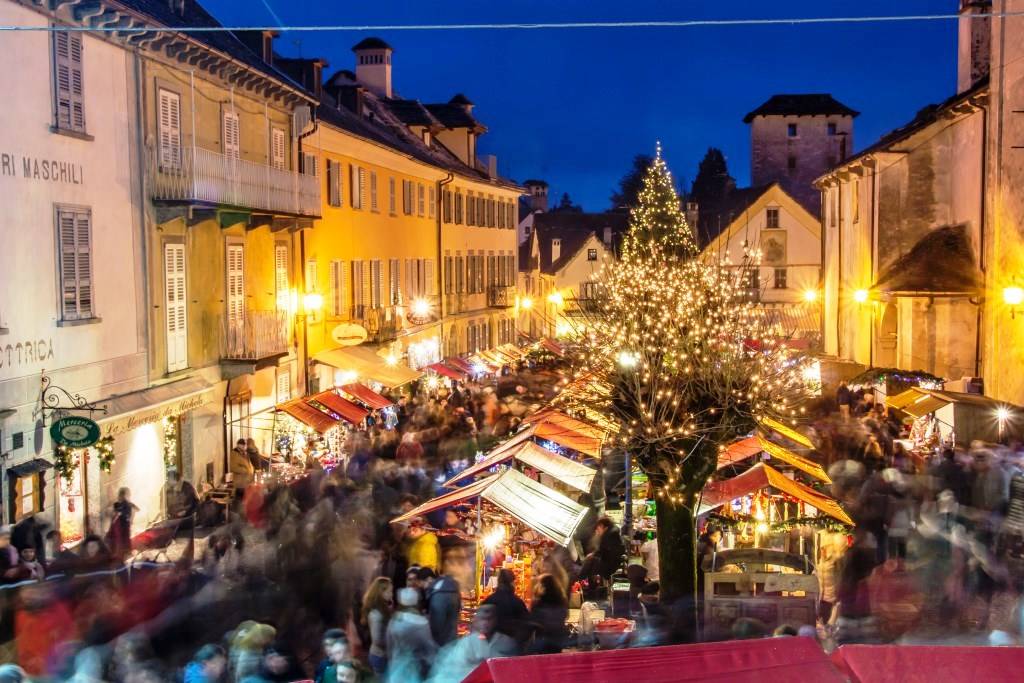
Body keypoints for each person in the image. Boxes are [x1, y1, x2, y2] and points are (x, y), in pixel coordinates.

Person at [433, 605, 517, 682]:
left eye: (489, 619)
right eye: (482, 619)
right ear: (476, 621)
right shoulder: (467, 643)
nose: (485, 623)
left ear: (495, 620)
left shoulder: (506, 642)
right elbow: (455, 669)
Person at [386, 587, 437, 681]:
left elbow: (389, 646)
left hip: (395, 667)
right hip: (414, 669)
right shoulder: (422, 623)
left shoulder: (394, 620)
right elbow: (429, 649)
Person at [481, 568, 529, 645]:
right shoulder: (517, 602)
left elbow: (481, 623)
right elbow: (526, 624)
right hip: (512, 645)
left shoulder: (489, 600)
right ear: (512, 583)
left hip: (492, 645)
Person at [420, 567, 461, 647]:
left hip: (440, 645)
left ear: (429, 579)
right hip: (451, 640)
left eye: (422, 584)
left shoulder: (438, 595)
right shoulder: (452, 589)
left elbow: (436, 626)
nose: (424, 588)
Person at [527, 574, 568, 654]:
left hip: (543, 641)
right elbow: (565, 616)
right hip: (558, 639)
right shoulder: (562, 602)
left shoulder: (538, 604)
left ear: (543, 587)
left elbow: (532, 622)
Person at [361, 577, 393, 677]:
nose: (391, 594)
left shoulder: (381, 609)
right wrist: (393, 642)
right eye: (390, 591)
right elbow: (377, 640)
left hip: (381, 655)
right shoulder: (376, 614)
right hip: (380, 656)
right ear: (381, 592)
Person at [107, 487, 138, 560]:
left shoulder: (123, 504)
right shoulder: (121, 505)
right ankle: (123, 554)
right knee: (122, 541)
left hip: (123, 527)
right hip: (121, 527)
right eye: (128, 494)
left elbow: (134, 511)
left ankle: (123, 554)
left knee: (122, 541)